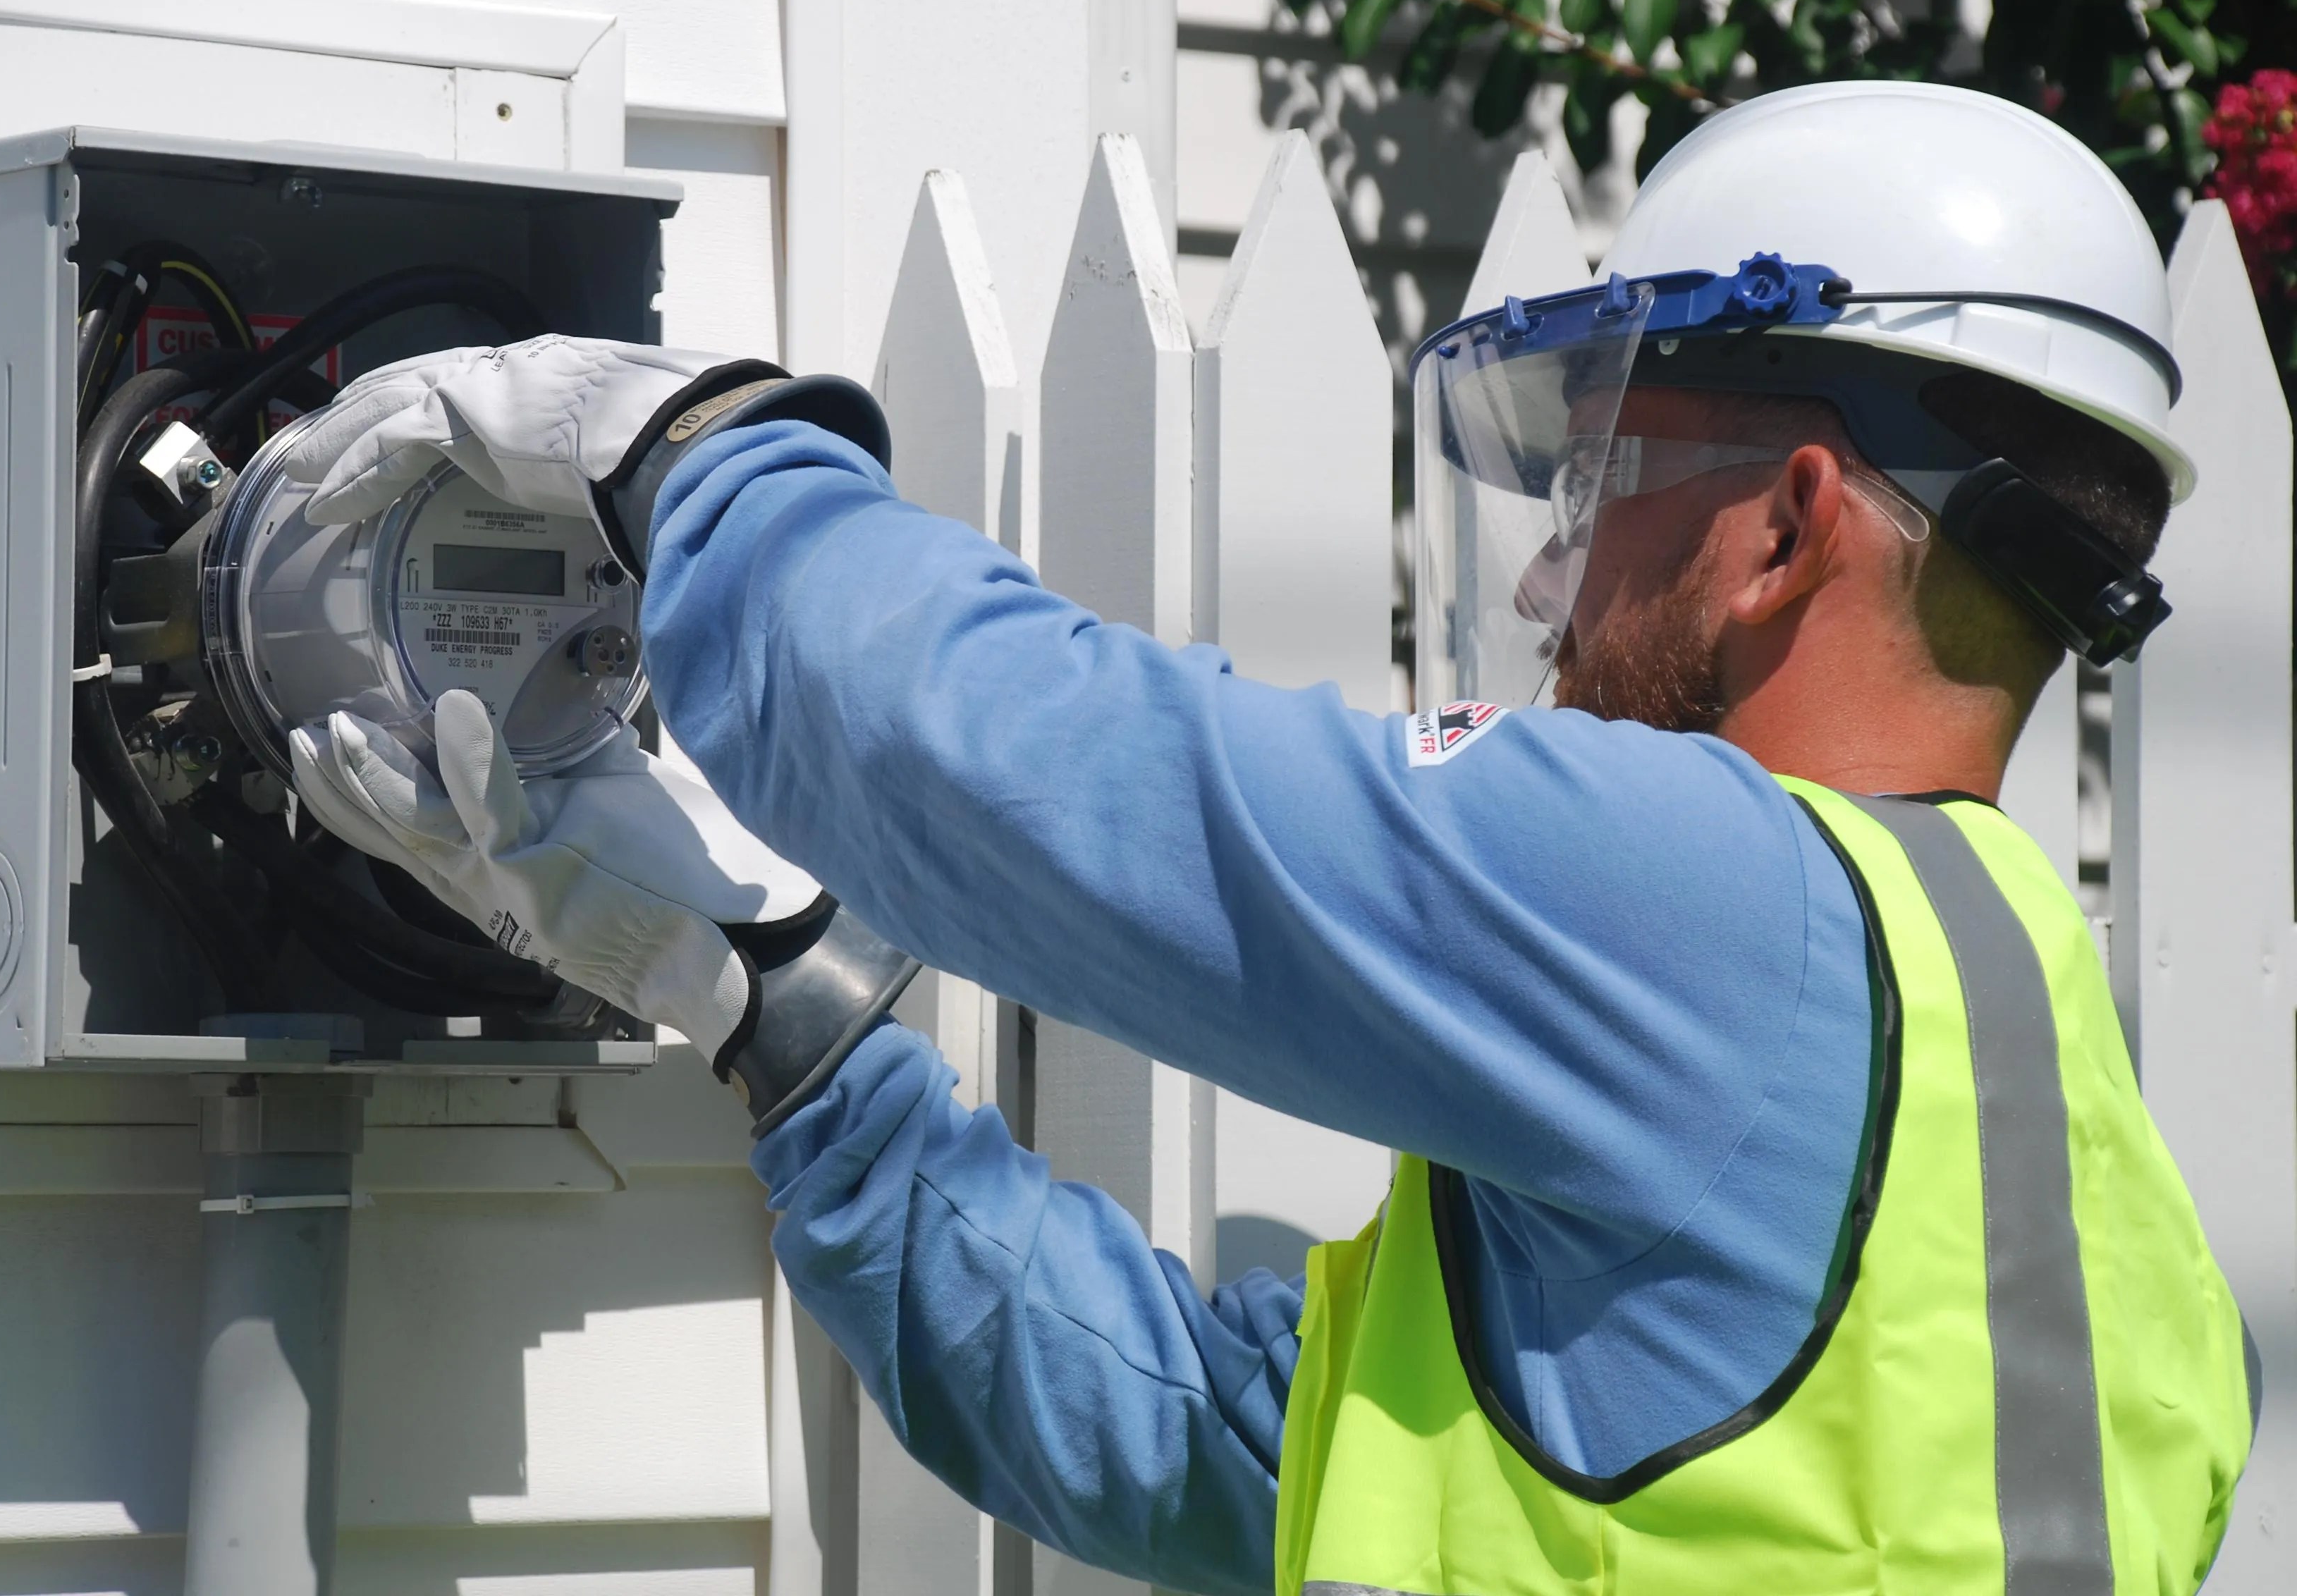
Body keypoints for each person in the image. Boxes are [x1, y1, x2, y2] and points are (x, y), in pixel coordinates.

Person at [284, 82, 2254, 1594]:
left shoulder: (1717, 905)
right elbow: (1229, 1452)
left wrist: (697, 459)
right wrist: (784, 1021)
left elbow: (1033, 771)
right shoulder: (2094, 1185)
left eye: (1600, 479)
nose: (1550, 579)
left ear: (1787, 530)